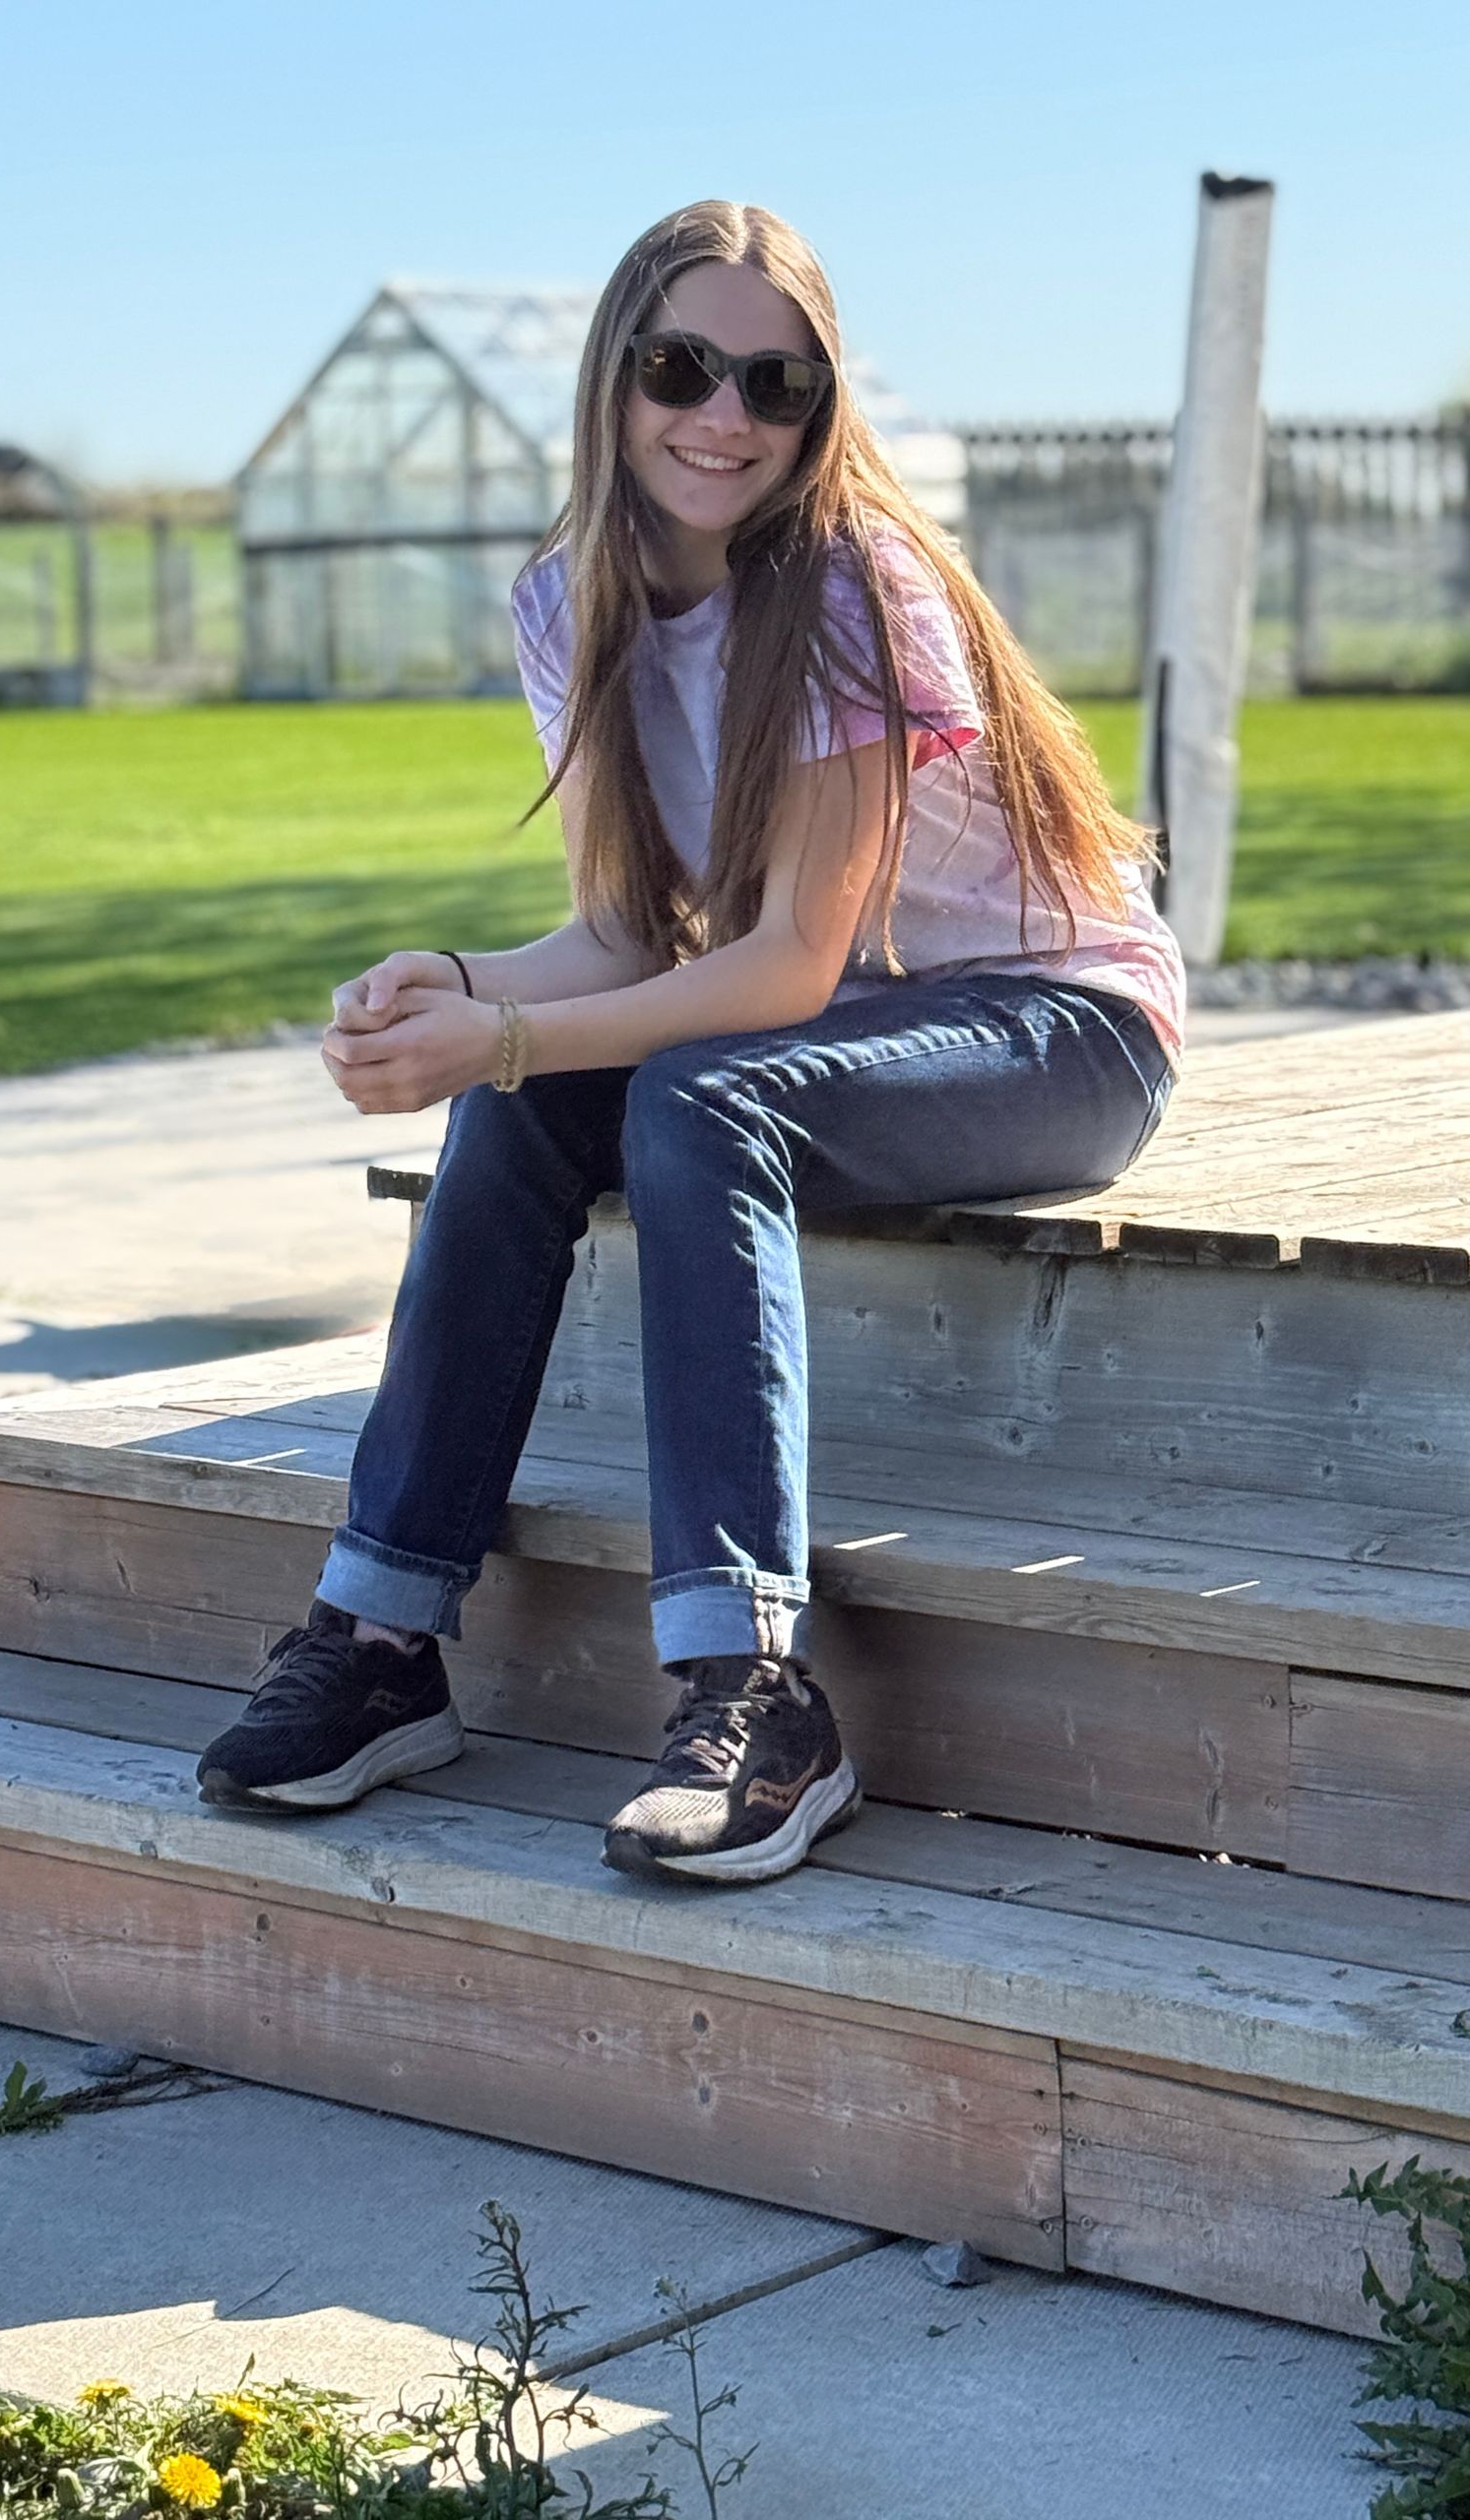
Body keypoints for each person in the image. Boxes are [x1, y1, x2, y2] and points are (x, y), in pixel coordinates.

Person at [196, 198, 1184, 1885]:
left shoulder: (859, 588)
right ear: (615, 378)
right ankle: (377, 1642)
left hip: (1056, 1025)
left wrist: (508, 1033)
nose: (726, 416)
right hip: (839, 1027)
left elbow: (788, 963)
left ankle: (758, 1693)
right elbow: (627, 937)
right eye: (685, 367)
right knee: (526, 1111)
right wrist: (451, 981)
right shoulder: (566, 599)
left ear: (819, 411)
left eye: (776, 385)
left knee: (688, 1095)